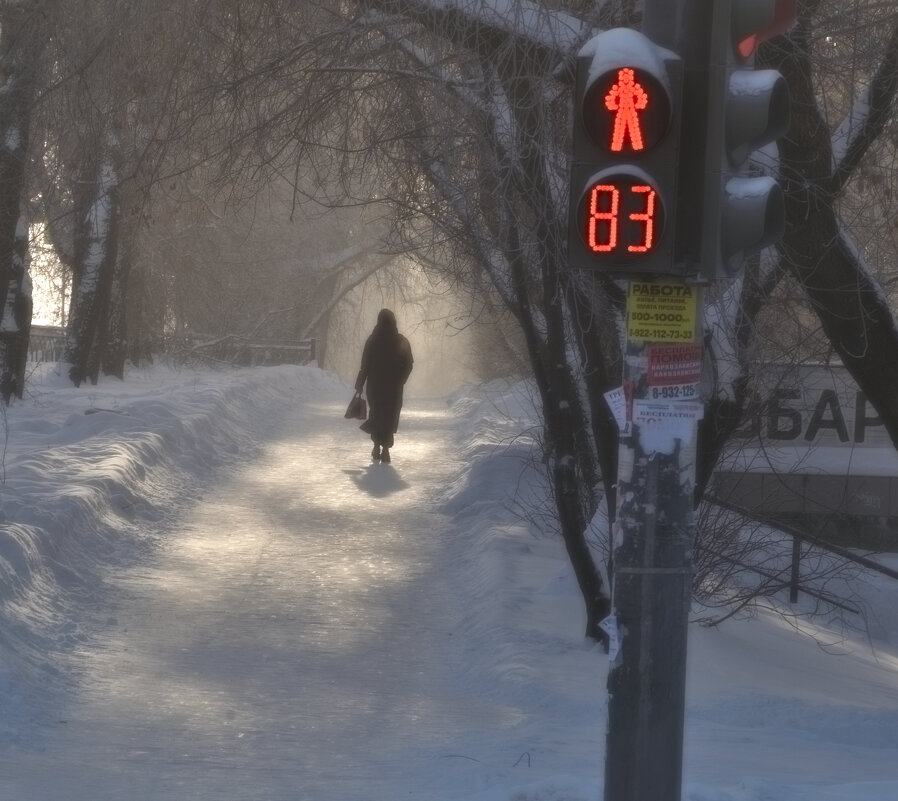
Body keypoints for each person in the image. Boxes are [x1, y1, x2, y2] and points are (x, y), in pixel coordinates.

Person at [354, 309, 413, 463]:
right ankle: (386, 449)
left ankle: (376, 446)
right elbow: (409, 364)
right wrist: (401, 379)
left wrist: (360, 383)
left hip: (375, 386)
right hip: (393, 388)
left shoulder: (372, 340)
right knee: (390, 416)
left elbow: (365, 365)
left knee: (377, 414)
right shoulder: (401, 341)